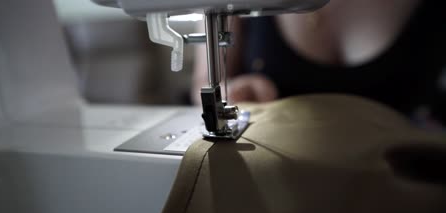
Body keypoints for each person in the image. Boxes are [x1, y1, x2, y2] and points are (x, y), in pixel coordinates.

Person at [191, 0, 446, 125]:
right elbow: (205, 83)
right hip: (281, 191)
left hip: (406, 198)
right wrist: (235, 90)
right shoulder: (231, 4)